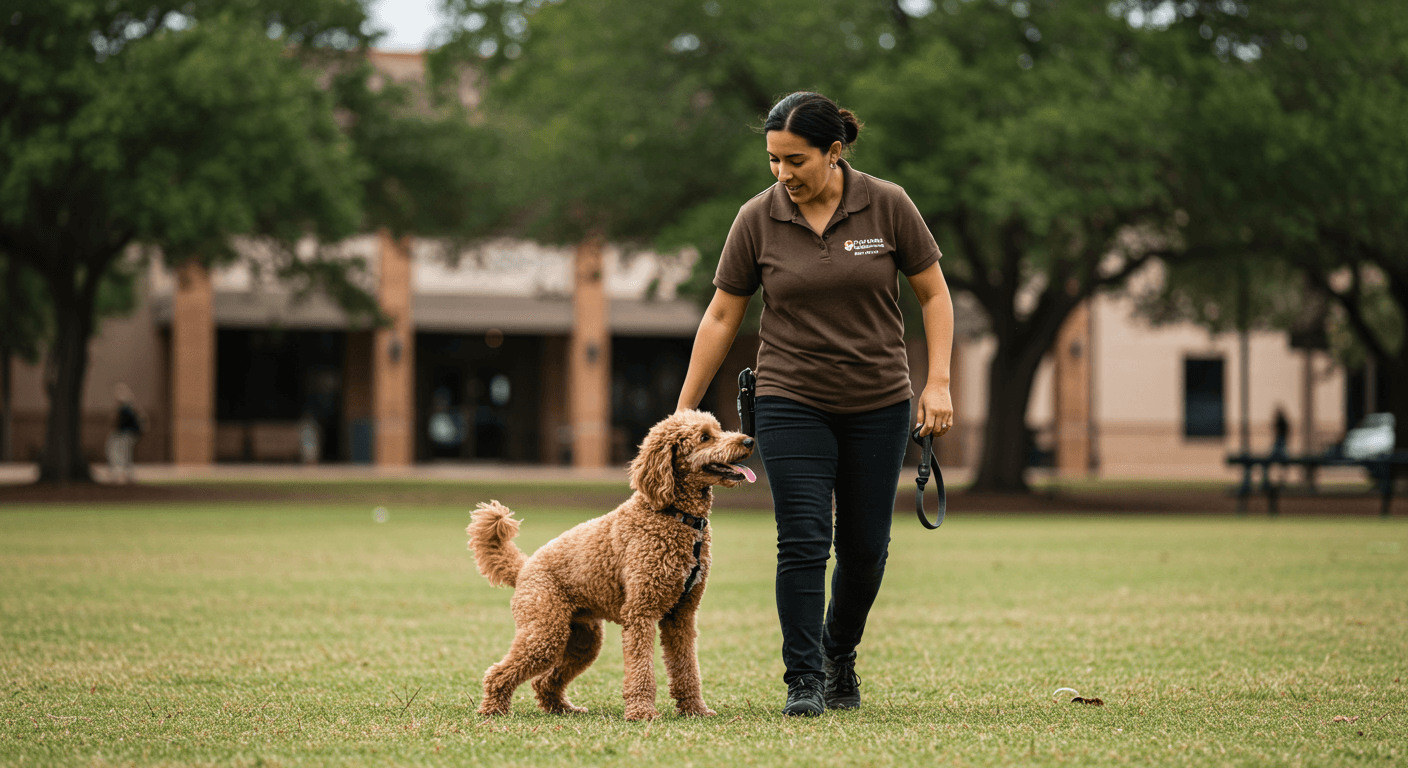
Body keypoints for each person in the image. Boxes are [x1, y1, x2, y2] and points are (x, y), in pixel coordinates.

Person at [674, 92, 955, 716]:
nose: (781, 174)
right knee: (802, 539)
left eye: (794, 160)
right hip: (789, 397)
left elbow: (934, 295)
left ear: (834, 152)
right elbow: (723, 314)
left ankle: (839, 653)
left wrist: (937, 382)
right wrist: (684, 409)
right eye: (773, 160)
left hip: (879, 400)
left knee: (864, 548)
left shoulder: (887, 204)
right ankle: (803, 679)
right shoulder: (757, 218)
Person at [107, 383, 143, 484]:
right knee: (125, 454)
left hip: (125, 434)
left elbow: (117, 421)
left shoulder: (125, 408)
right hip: (127, 434)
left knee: (119, 453)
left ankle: (118, 474)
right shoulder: (130, 406)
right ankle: (126, 474)